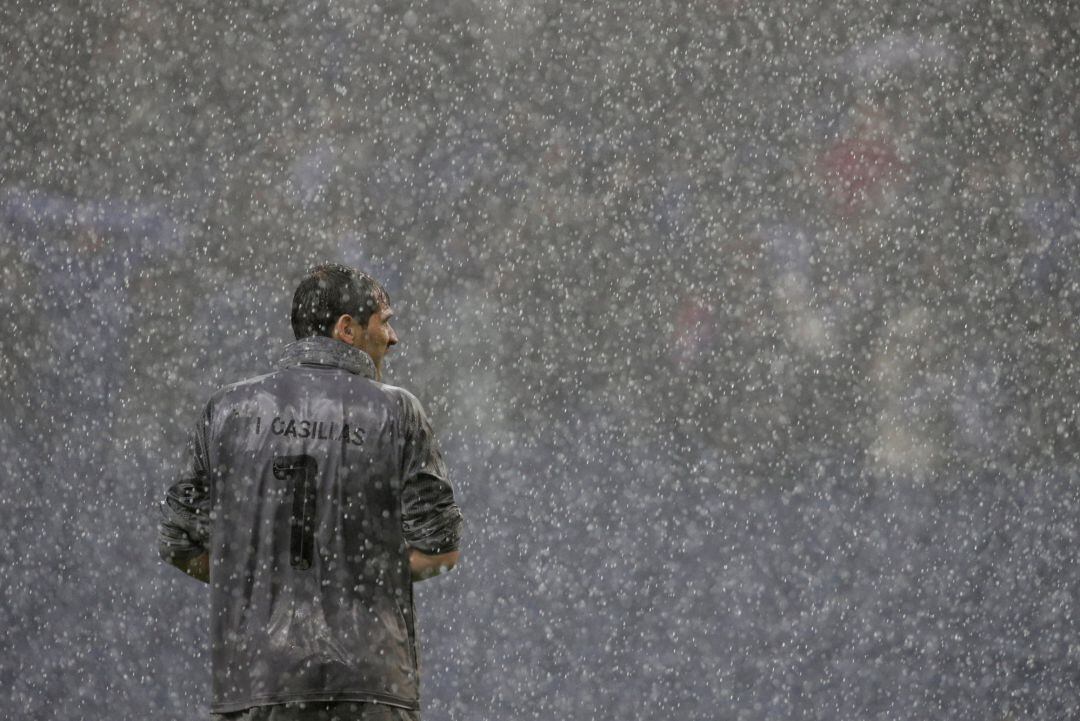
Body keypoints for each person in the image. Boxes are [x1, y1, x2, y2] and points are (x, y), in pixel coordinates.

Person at [158, 263, 463, 721]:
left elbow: (178, 543)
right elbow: (440, 552)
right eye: (385, 321)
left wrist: (261, 582)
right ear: (347, 329)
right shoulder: (397, 411)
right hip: (369, 685)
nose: (394, 337)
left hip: (257, 684)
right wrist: (353, 583)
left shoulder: (227, 410)